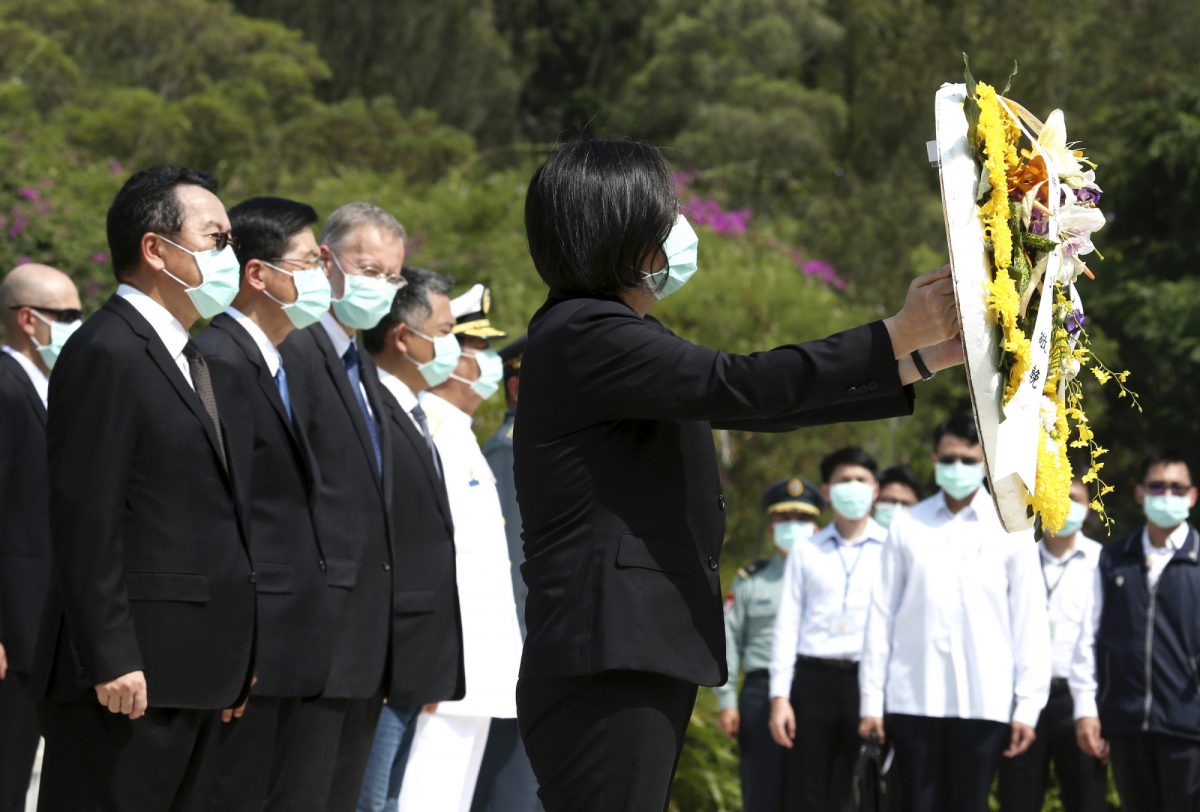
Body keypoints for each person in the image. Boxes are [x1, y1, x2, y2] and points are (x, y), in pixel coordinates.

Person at [513, 138, 963, 811]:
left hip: (625, 652)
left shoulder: (618, 334)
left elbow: (755, 404)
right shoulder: (586, 333)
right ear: (617, 225)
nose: (676, 231)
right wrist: (893, 334)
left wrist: (914, 361)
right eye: (661, 214)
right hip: (606, 655)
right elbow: (741, 383)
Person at [33, 165, 256, 811]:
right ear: (156, 249)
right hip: (129, 676)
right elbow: (86, 514)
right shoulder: (107, 351)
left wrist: (241, 653)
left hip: (193, 671)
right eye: (216, 240)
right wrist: (109, 654)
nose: (230, 258)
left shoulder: (190, 356)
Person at [193, 196, 341, 810]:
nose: (323, 278)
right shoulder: (221, 358)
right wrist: (236, 652)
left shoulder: (276, 359)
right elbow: (224, 517)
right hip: (251, 654)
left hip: (289, 648)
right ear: (258, 274)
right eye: (309, 262)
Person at [277, 202, 406, 811]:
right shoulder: (295, 353)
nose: (380, 286)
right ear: (326, 261)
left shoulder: (366, 371)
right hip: (312, 637)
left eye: (392, 276)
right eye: (368, 268)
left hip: (363, 645)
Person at [858, 414, 1051, 812]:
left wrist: (1028, 706)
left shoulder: (1012, 527)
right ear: (933, 459)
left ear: (985, 461)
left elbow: (1030, 623)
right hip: (915, 696)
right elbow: (880, 617)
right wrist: (871, 702)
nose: (958, 468)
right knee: (916, 803)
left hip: (986, 698)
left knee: (971, 803)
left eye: (968, 459)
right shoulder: (908, 524)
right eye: (949, 459)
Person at [398, 283, 524, 812]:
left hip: (479, 672)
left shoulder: (462, 433)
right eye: (475, 348)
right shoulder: (426, 431)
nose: (487, 364)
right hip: (445, 673)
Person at [357, 266, 466, 812]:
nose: (455, 347)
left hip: (413, 655)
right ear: (403, 336)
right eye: (445, 331)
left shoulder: (413, 411)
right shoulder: (369, 408)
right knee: (369, 799)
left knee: (391, 798)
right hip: (383, 653)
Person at [1071, 450, 1200, 811]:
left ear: (1192, 496)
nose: (1167, 495)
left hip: (1188, 728)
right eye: (1158, 486)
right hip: (1125, 723)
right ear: (1140, 493)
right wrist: (1086, 708)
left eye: (1177, 488)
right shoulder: (1113, 559)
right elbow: (1089, 638)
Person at [0, 264, 81, 812]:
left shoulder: (47, 388)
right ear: (29, 319)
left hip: (45, 635)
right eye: (68, 316)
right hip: (13, 635)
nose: (79, 326)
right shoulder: (4, 389)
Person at [768, 448, 888, 810]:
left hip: (867, 680)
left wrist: (878, 701)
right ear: (826, 490)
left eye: (860, 480)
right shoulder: (806, 550)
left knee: (862, 790)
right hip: (812, 679)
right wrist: (779, 697)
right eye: (843, 481)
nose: (852, 488)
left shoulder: (892, 546)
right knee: (808, 789)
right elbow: (786, 624)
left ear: (876, 489)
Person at [997, 475, 1107, 812]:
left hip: (1079, 701)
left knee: (1086, 799)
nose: (1065, 503)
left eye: (1074, 496)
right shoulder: (1018, 556)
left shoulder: (1103, 561)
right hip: (1021, 699)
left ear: (1089, 506)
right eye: (1056, 493)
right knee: (1017, 798)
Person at [718, 477, 825, 812]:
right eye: (784, 519)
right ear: (770, 527)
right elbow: (729, 637)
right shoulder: (752, 578)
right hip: (760, 693)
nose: (793, 526)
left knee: (814, 791)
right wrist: (726, 700)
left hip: (814, 686)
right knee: (762, 789)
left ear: (817, 526)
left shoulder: (830, 576)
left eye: (803, 519)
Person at [474, 331, 543, 812]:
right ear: (517, 389)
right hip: (520, 661)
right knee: (508, 794)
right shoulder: (509, 454)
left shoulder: (536, 453)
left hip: (534, 658)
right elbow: (515, 576)